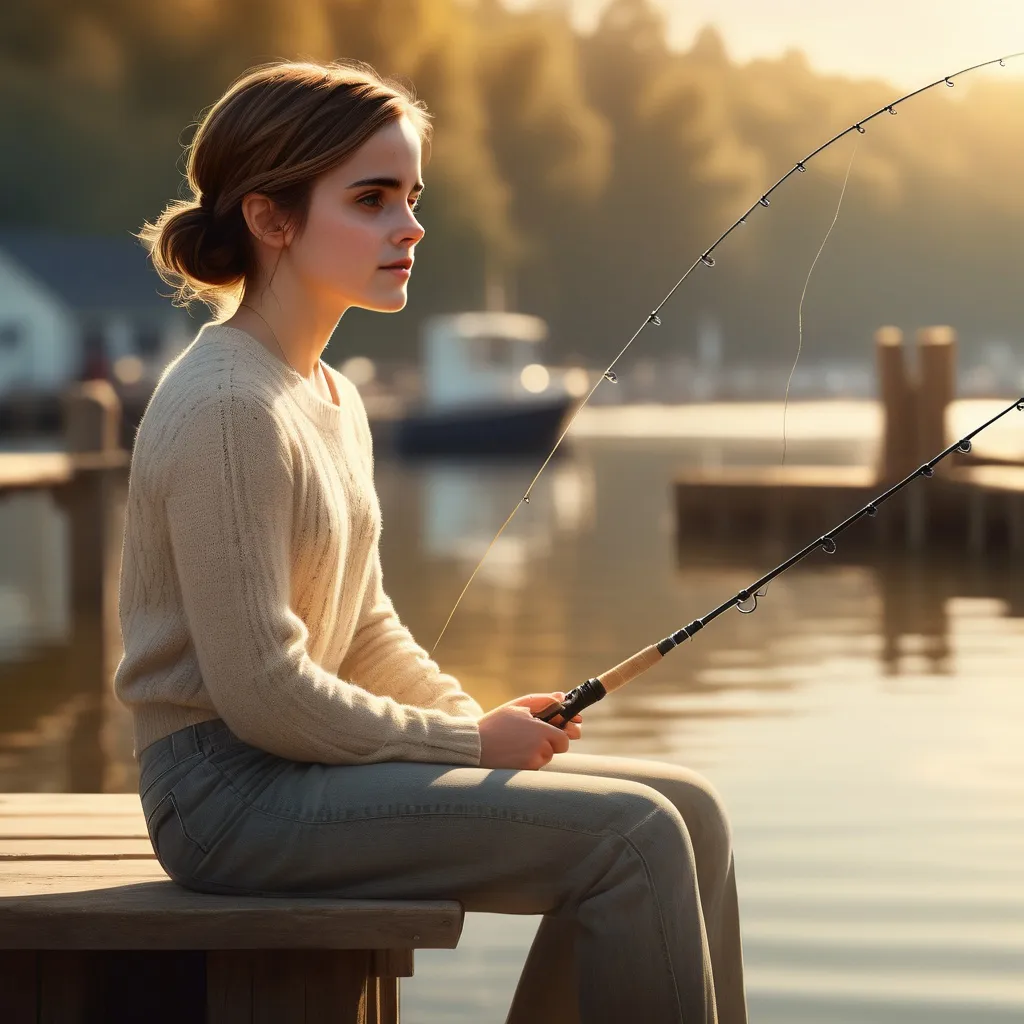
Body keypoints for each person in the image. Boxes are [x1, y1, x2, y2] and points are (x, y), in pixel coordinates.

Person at [116, 59, 747, 1023]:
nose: (409, 227)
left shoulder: (330, 395)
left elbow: (365, 628)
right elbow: (261, 691)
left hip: (298, 770)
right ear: (270, 217)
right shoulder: (228, 407)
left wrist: (495, 733)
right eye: (371, 199)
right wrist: (462, 741)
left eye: (411, 197)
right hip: (225, 802)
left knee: (688, 810)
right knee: (631, 841)